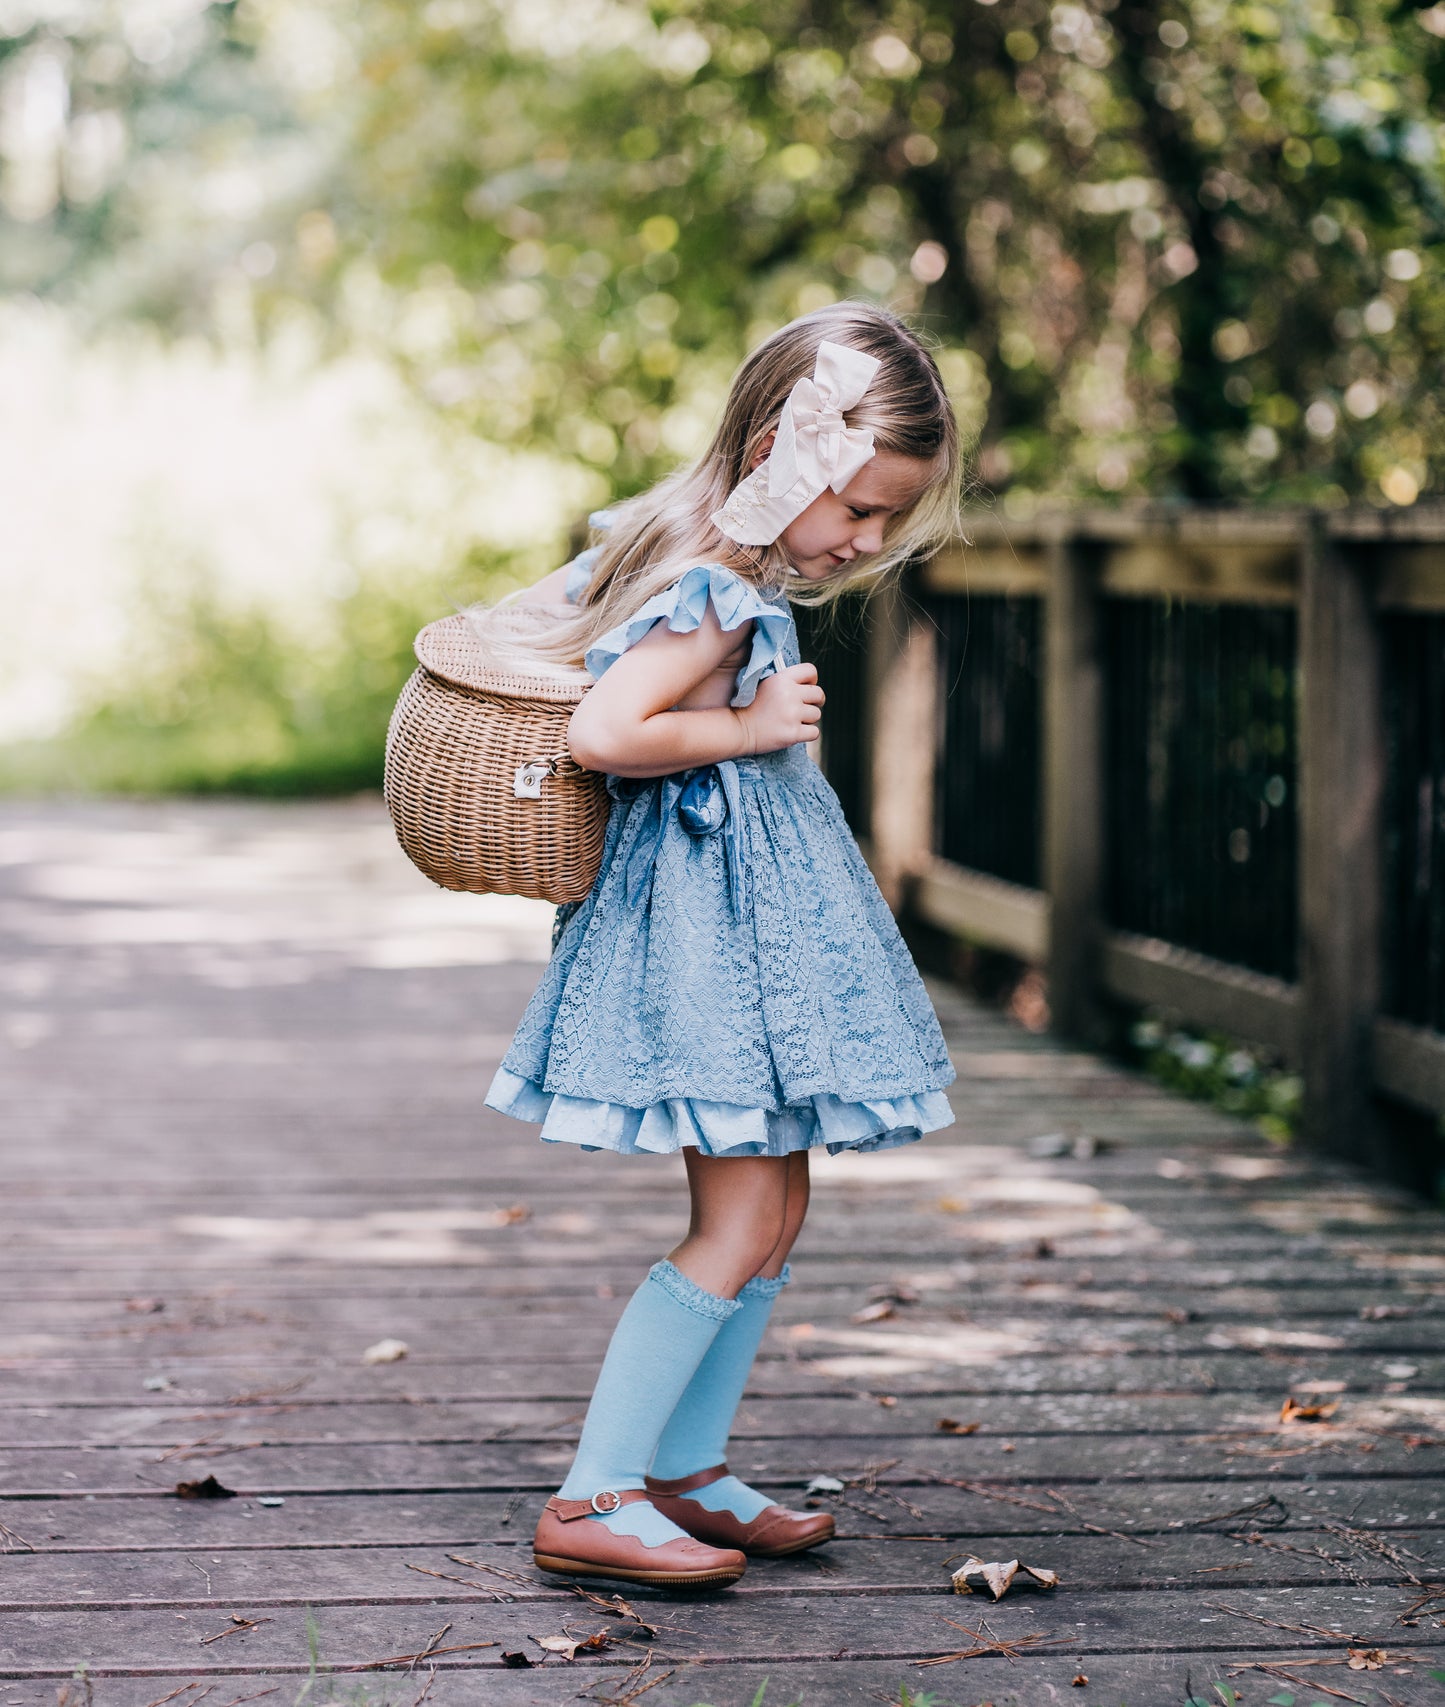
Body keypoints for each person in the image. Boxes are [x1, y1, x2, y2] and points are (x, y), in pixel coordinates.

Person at [484, 301, 962, 1588]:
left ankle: (684, 1470)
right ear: (774, 456)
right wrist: (748, 731)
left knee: (776, 1201)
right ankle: (594, 1494)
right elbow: (605, 732)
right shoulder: (713, 578)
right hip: (699, 937)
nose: (862, 541)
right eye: (853, 508)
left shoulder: (728, 555)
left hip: (744, 929)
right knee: (742, 1206)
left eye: (882, 520)